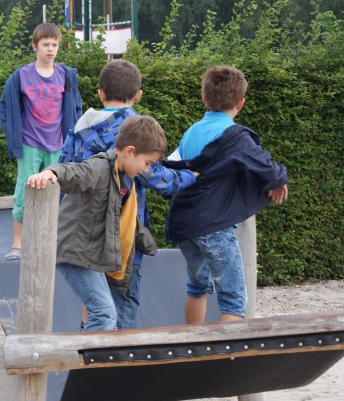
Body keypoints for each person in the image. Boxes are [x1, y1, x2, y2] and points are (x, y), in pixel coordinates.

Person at [59, 59, 197, 329]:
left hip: (85, 235)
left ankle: (90, 349)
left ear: (100, 93)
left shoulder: (79, 128)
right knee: (122, 309)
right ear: (138, 95)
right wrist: (189, 177)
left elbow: (66, 172)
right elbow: (157, 178)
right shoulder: (133, 130)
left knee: (95, 308)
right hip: (121, 237)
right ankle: (114, 355)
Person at [163, 66, 288, 324]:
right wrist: (279, 180)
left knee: (197, 286)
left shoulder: (192, 131)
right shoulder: (236, 137)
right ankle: (228, 352)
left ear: (204, 99)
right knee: (234, 299)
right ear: (241, 103)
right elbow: (266, 168)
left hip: (184, 223)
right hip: (214, 226)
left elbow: (174, 168)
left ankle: (193, 344)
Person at [27, 116, 166, 331]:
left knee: (106, 313)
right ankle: (87, 354)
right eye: (147, 163)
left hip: (88, 254)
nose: (146, 169)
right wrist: (51, 172)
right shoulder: (101, 167)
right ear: (130, 151)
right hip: (74, 251)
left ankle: (91, 351)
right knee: (104, 313)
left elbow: (125, 220)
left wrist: (147, 243)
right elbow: (76, 172)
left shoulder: (123, 178)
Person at [0, 22, 83, 260]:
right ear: (35, 46)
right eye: (46, 44)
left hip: (58, 144)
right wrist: (14, 135)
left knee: (58, 193)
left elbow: (76, 107)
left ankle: (51, 243)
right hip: (30, 144)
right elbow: (4, 108)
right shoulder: (21, 76)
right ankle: (18, 244)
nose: (50, 49)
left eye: (54, 44)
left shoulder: (66, 75)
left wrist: (72, 137)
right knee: (24, 192)